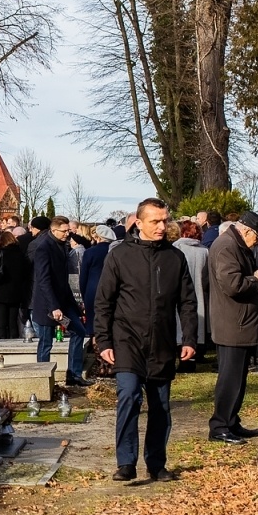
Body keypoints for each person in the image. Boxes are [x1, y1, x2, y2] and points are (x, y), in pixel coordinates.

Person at [94, 199, 198, 481]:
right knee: (129, 395)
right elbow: (104, 301)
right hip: (127, 339)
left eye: (165, 220)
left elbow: (187, 302)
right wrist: (104, 341)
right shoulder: (119, 255)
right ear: (139, 223)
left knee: (160, 404)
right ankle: (126, 462)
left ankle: (156, 463)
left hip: (161, 341)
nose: (162, 226)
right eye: (155, 221)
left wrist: (189, 338)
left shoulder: (175, 258)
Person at [207, 211, 258, 444]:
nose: (257, 241)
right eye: (257, 237)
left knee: (238, 378)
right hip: (233, 323)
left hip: (239, 322)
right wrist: (257, 280)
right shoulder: (227, 247)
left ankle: (231, 421)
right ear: (246, 231)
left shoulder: (235, 245)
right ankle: (220, 425)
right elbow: (233, 285)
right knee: (230, 379)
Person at [31, 216, 89, 387]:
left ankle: (74, 374)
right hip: (48, 305)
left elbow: (63, 280)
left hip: (64, 302)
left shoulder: (62, 245)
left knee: (79, 331)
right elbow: (44, 280)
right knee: (46, 342)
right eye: (64, 231)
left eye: (68, 231)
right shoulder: (44, 248)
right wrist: (54, 306)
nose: (67, 234)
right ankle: (42, 379)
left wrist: (75, 307)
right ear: (53, 230)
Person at [172, 220, 210, 365]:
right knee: (198, 322)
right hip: (200, 292)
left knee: (181, 323)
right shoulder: (204, 251)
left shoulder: (176, 248)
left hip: (181, 292)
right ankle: (196, 353)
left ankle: (182, 354)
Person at [0, 228, 30, 339]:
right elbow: (25, 273)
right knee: (13, 322)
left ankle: (2, 343)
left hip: (0, 291)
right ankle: (14, 341)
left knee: (1, 323)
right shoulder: (21, 254)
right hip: (16, 291)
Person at [78, 225, 113, 340]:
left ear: (98, 237)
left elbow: (83, 276)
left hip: (92, 289)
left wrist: (83, 295)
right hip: (111, 289)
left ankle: (94, 343)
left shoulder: (90, 252)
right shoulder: (115, 251)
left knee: (93, 322)